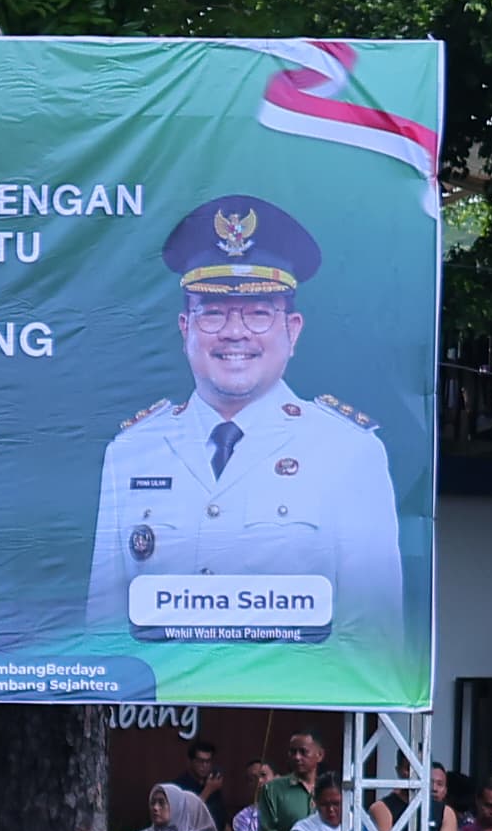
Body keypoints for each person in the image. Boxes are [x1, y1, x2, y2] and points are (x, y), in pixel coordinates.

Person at [85, 195, 404, 641]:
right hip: (161, 707)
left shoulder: (349, 452)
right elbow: (105, 629)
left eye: (258, 313)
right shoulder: (133, 452)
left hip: (292, 707)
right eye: (212, 312)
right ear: (185, 329)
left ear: (292, 331)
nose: (235, 332)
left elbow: (375, 637)